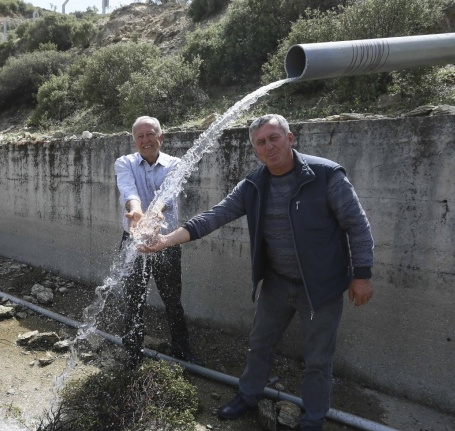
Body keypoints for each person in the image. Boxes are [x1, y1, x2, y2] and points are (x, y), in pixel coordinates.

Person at [138, 114, 374, 430]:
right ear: (255, 150)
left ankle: (314, 417)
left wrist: (362, 274)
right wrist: (165, 240)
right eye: (261, 142)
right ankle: (248, 395)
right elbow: (214, 216)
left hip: (321, 286)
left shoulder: (326, 175)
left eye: (274, 138)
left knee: (318, 359)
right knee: (260, 343)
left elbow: (357, 225)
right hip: (277, 282)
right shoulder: (254, 185)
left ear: (290, 139)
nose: (268, 146)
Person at [115, 115, 202, 369]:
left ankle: (181, 350)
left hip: (166, 241)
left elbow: (168, 193)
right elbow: (128, 190)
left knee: (172, 299)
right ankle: (132, 354)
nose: (145, 140)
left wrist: (155, 213)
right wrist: (136, 211)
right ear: (134, 141)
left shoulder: (175, 164)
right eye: (140, 136)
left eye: (150, 134)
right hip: (134, 241)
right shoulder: (125, 163)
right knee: (133, 298)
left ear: (160, 137)